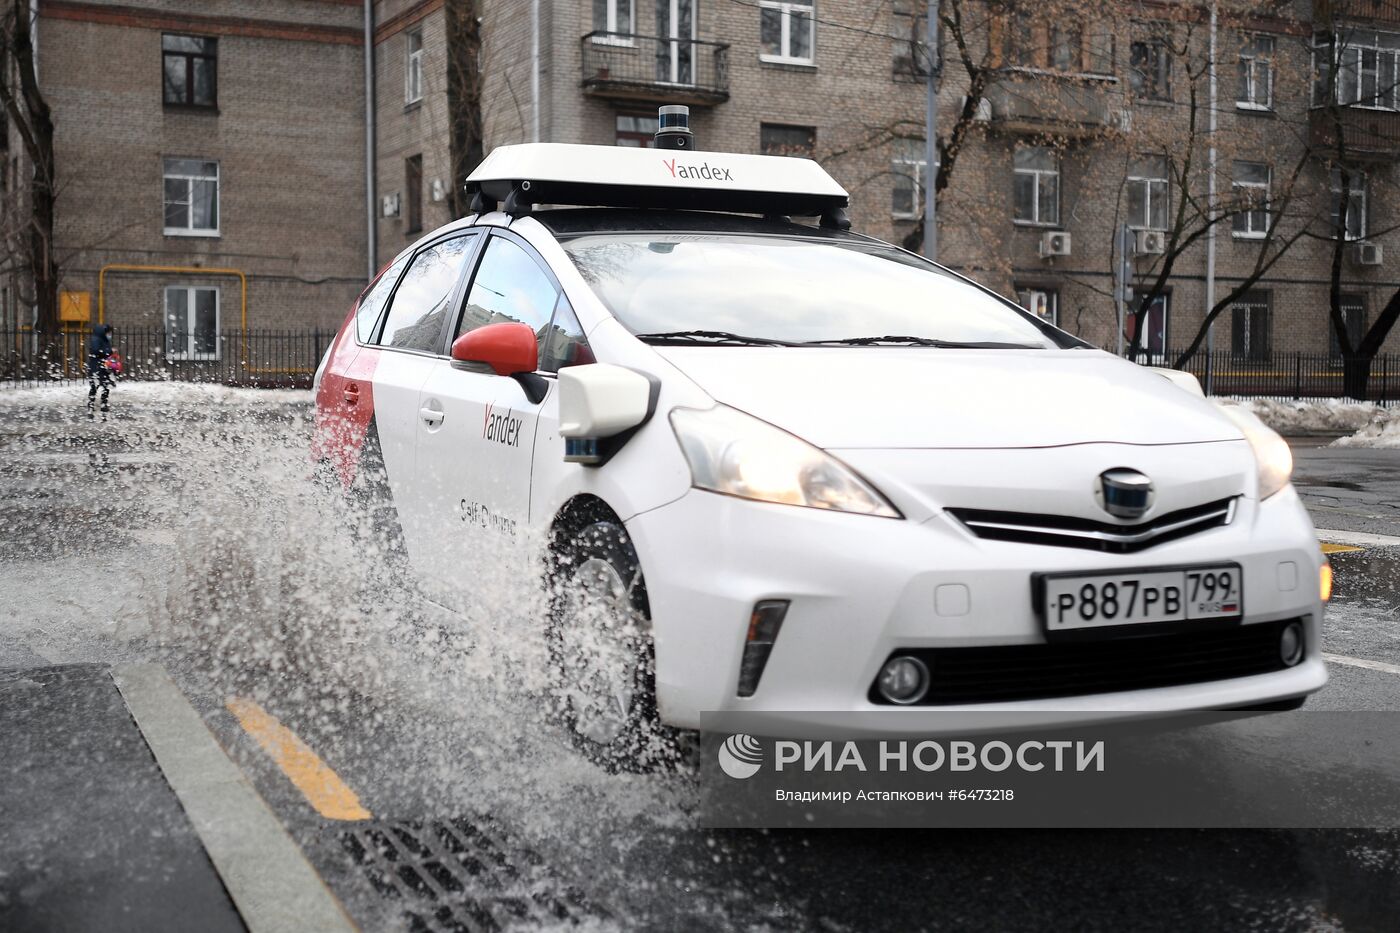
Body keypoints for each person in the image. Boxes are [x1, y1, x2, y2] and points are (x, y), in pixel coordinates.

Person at [87, 323, 114, 417]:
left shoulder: (104, 340)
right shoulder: (96, 339)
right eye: (109, 333)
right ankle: (90, 405)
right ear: (105, 332)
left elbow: (107, 351)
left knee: (106, 385)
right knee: (95, 386)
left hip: (103, 366)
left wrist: (110, 352)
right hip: (96, 366)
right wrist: (107, 352)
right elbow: (96, 350)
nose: (110, 335)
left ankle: (104, 404)